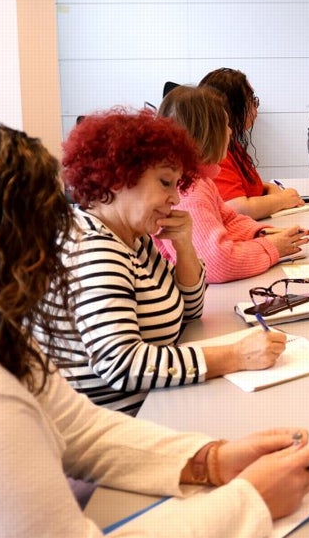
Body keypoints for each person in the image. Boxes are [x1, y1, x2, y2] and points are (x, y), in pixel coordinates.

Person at [0, 117, 309, 538]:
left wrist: (210, 460)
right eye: (47, 225)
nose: (59, 245)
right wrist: (251, 502)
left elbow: (77, 427)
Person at [48, 109, 286, 414]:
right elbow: (121, 364)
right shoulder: (93, 250)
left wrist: (185, 246)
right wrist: (235, 356)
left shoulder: (134, 236)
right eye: (165, 183)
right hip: (124, 425)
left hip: (157, 406)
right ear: (119, 176)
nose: (175, 197)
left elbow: (190, 311)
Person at [156, 85, 309, 283]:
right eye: (225, 125)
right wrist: (272, 247)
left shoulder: (199, 179)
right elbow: (217, 264)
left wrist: (263, 233)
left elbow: (229, 220)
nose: (229, 131)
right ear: (208, 133)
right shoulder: (189, 192)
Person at [199, 67, 305, 219]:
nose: (256, 109)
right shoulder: (215, 152)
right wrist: (282, 199)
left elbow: (251, 187)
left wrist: (271, 190)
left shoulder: (232, 144)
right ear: (230, 107)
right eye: (251, 101)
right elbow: (237, 208)